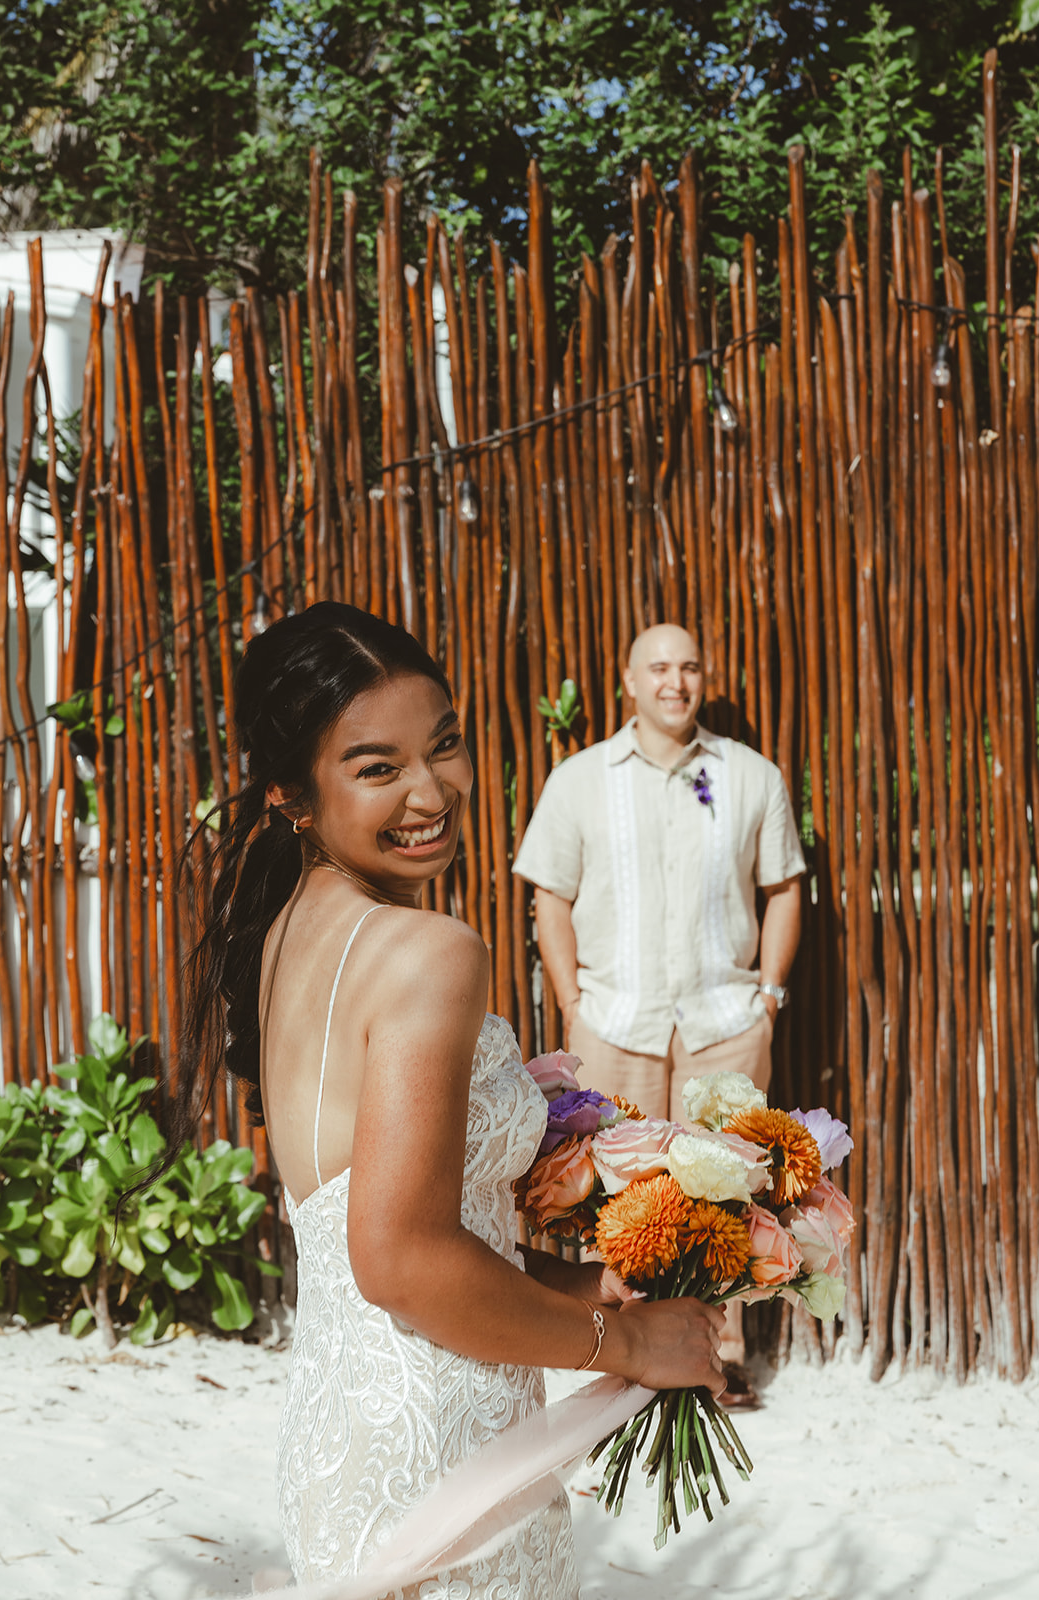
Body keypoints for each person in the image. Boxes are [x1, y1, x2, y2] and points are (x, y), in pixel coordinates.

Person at [175, 602, 724, 1599]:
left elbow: (375, 1226)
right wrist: (630, 1342)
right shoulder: (430, 952)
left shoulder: (289, 936)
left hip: (346, 1435)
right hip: (444, 1438)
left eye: (443, 745)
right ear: (292, 795)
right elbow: (403, 1259)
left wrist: (582, 1284)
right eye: (376, 767)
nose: (431, 790)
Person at [513, 622, 805, 1408]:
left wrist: (767, 999)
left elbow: (782, 888)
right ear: (628, 682)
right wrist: (573, 1003)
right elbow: (551, 899)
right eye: (659, 668)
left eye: (688, 668)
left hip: (723, 1023)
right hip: (615, 1022)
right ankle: (624, 1363)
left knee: (728, 1198)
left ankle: (720, 1359)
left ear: (701, 679)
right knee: (615, 1202)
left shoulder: (749, 777)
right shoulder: (577, 780)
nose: (674, 682)